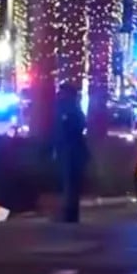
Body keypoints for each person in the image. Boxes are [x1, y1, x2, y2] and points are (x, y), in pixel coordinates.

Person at [53, 83, 89, 223]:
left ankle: (70, 214)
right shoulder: (71, 107)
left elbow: (65, 129)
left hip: (71, 150)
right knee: (70, 184)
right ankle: (70, 213)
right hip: (71, 150)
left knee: (70, 183)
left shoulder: (68, 108)